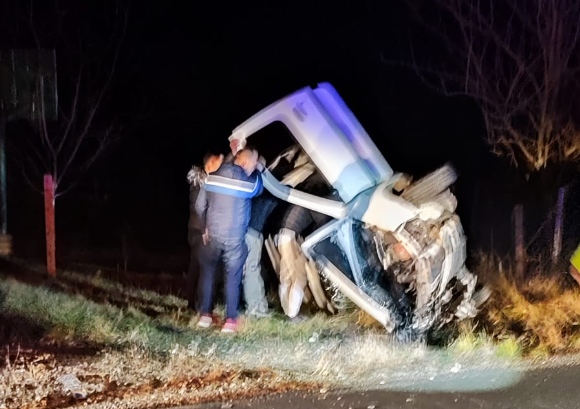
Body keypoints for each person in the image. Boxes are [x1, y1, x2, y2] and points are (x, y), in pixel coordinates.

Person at [195, 147, 264, 333]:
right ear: (244, 162)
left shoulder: (212, 176)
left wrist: (204, 228)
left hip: (213, 236)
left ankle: (205, 316)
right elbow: (259, 187)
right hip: (235, 239)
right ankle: (230, 321)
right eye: (253, 162)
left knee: (207, 273)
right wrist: (258, 170)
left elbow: (200, 205)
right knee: (232, 278)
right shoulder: (248, 183)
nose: (254, 165)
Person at [185, 152, 224, 311]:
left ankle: (195, 303)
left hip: (197, 229)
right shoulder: (201, 183)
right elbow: (198, 208)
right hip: (199, 230)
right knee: (201, 268)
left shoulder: (200, 181)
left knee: (197, 267)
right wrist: (205, 229)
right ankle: (197, 304)